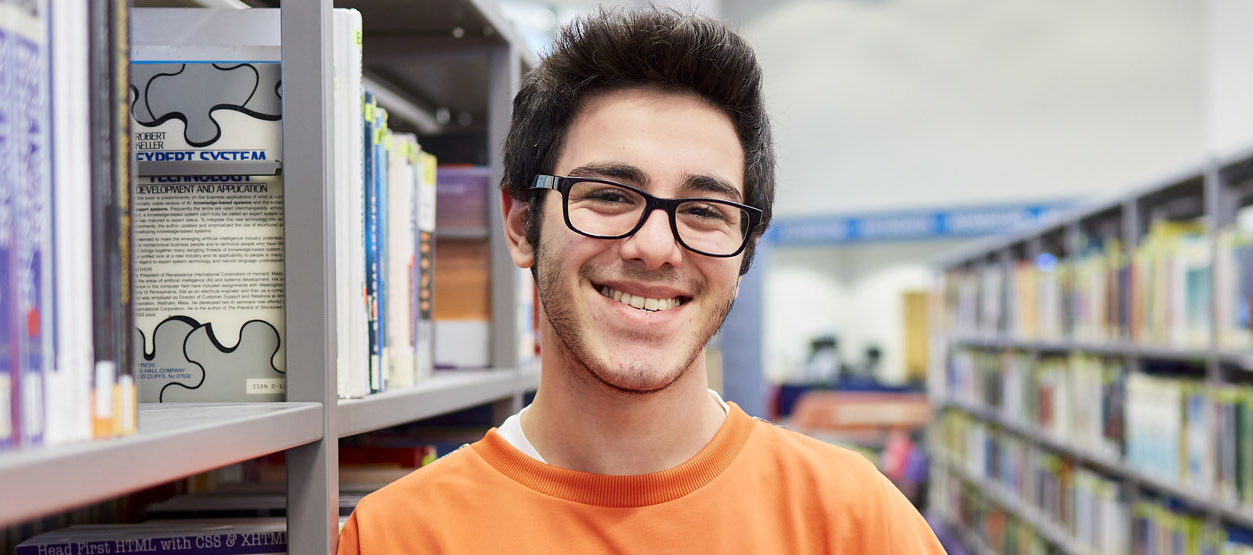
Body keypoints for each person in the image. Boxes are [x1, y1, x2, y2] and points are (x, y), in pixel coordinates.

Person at [337, 8, 945, 553]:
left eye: (705, 210)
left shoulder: (855, 521)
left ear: (744, 252)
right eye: (606, 195)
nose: (655, 247)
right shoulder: (397, 535)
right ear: (522, 224)